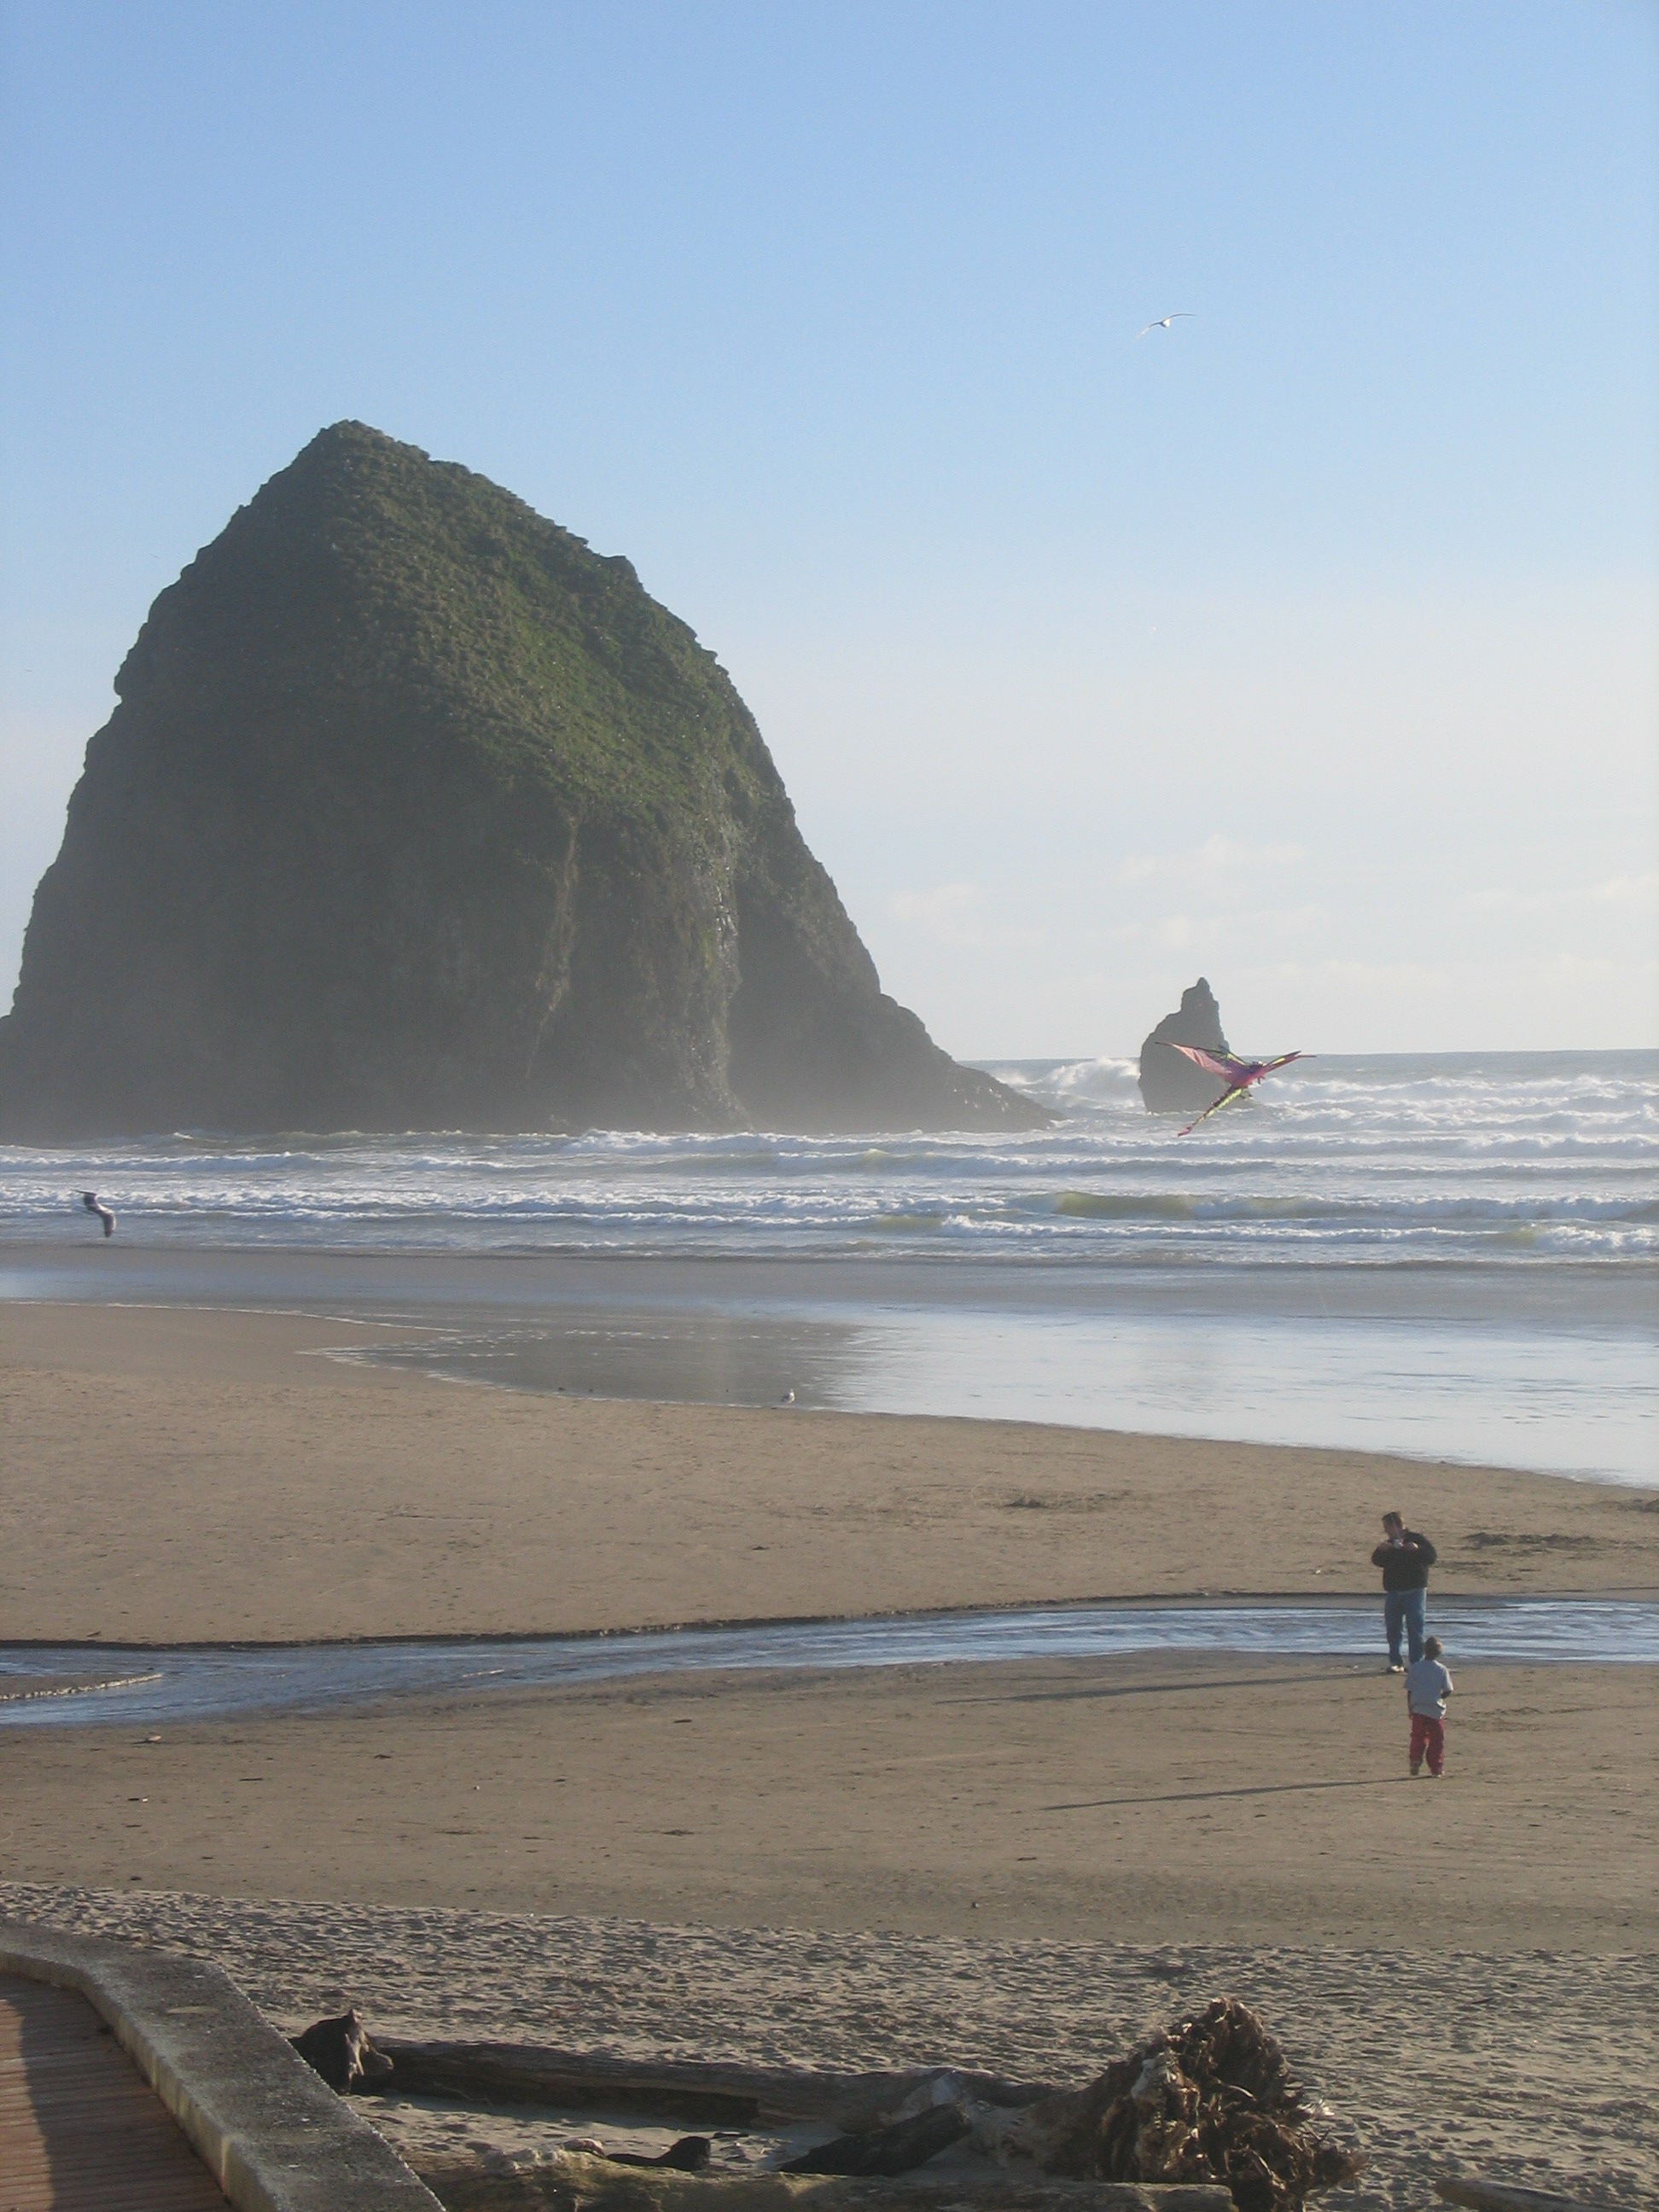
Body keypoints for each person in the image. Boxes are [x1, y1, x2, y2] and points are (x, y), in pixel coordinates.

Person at [1371, 1511, 1435, 1671]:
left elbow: (1432, 1557)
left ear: (1397, 1526)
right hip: (1394, 1592)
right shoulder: (1390, 1545)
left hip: (1415, 1590)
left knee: (1415, 1628)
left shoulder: (1417, 1539)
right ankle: (1396, 1662)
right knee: (1393, 1629)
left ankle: (1416, 1662)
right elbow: (1377, 1561)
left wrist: (1417, 1549)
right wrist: (1381, 1550)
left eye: (1387, 1527)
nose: (1386, 1531)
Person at [1406, 1634, 1452, 1777]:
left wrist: (1410, 1706)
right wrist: (1439, 1697)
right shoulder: (1441, 1669)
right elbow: (1448, 1690)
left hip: (1418, 1708)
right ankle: (1436, 1768)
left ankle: (1415, 1760)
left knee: (1417, 1737)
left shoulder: (1415, 1668)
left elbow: (1410, 1690)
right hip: (1434, 1710)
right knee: (1436, 1740)